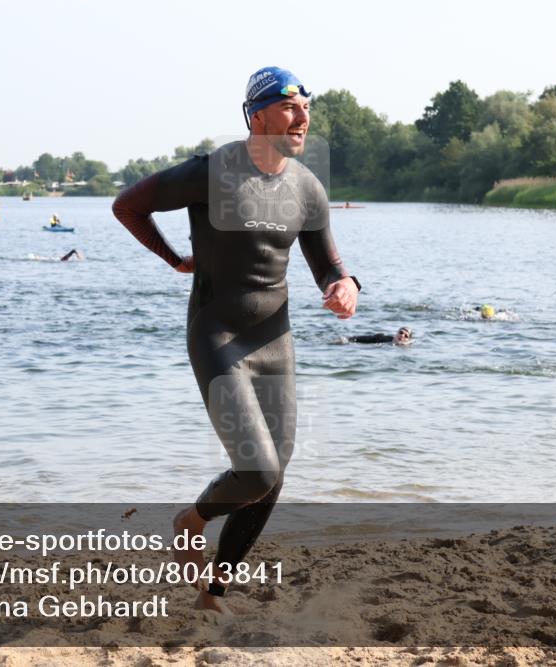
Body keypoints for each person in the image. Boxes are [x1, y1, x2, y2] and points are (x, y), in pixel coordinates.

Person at [112, 66, 360, 614]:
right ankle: (191, 521)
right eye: (290, 105)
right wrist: (175, 258)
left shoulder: (306, 186)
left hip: (275, 340)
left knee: (274, 474)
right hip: (217, 332)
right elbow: (127, 205)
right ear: (256, 115)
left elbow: (329, 265)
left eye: (305, 106)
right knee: (256, 469)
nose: (302, 117)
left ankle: (213, 592)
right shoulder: (212, 171)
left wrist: (346, 286)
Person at [342, 327, 412, 345]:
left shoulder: (406, 346)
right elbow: (364, 338)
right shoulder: (384, 338)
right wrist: (348, 339)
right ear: (396, 333)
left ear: (408, 340)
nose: (402, 335)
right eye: (401, 332)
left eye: (406, 336)